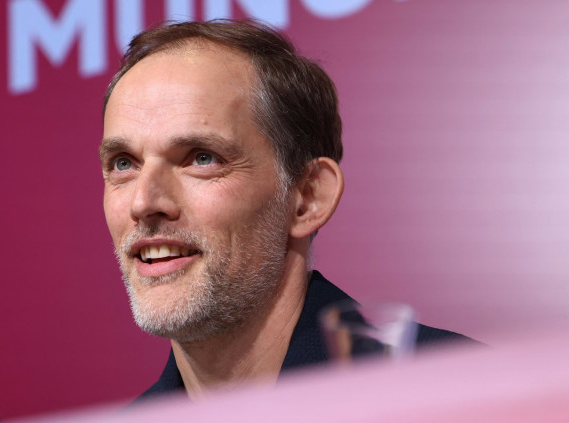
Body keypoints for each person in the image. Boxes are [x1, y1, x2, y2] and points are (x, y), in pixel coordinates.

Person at [99, 19, 469, 403]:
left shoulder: (453, 395)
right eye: (123, 163)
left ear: (307, 197)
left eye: (202, 158)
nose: (143, 203)